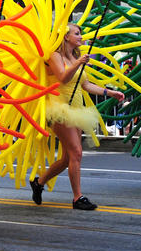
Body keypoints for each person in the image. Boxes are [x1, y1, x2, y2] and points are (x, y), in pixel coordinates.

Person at [29, 23, 125, 210]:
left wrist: (109, 92)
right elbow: (63, 78)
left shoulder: (73, 57)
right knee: (77, 153)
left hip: (77, 110)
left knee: (68, 158)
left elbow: (86, 85)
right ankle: (77, 198)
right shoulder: (54, 56)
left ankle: (39, 183)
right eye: (77, 33)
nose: (81, 37)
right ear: (65, 37)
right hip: (59, 109)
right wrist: (79, 63)